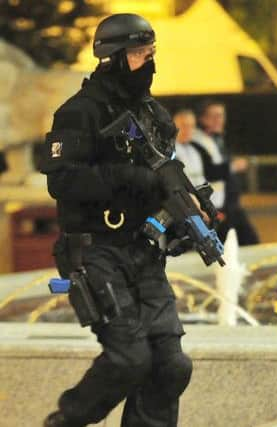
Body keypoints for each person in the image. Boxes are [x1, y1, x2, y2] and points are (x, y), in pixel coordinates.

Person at [40, 14, 193, 427]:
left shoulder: (154, 115)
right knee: (129, 358)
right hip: (96, 252)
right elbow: (62, 181)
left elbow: (167, 176)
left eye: (151, 53)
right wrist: (129, 177)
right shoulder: (78, 113)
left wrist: (186, 211)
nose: (150, 62)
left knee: (171, 364)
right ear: (113, 59)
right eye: (141, 54)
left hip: (143, 251)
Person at [192, 99, 260, 245]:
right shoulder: (197, 141)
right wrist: (233, 166)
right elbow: (209, 171)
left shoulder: (215, 138)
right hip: (216, 205)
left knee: (240, 243)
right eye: (214, 116)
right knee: (245, 242)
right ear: (203, 119)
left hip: (228, 204)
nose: (219, 120)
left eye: (221, 115)